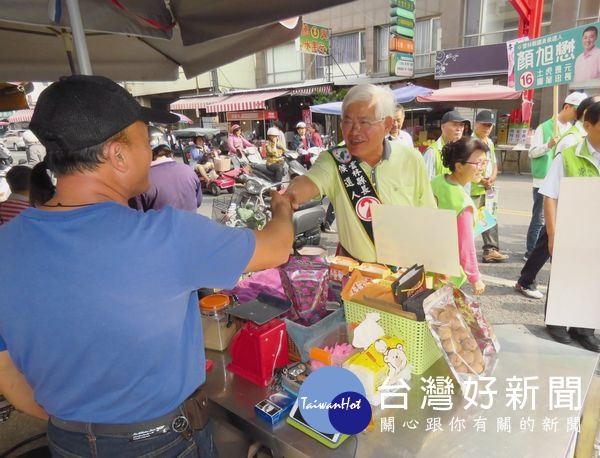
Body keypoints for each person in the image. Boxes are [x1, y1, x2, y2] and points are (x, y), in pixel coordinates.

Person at [0, 75, 294, 457]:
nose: (151, 151)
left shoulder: (6, 244)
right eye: (144, 138)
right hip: (162, 443)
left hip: (66, 442)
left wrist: (84, 428)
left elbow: (7, 374)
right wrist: (283, 209)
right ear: (117, 155)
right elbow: (277, 247)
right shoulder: (166, 236)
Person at [284, 84, 436, 262]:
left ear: (387, 124)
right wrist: (289, 196)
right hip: (356, 277)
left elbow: (428, 213)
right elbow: (306, 185)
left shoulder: (411, 158)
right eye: (347, 121)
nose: (354, 131)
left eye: (364, 122)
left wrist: (435, 260)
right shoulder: (335, 160)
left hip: (404, 272)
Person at [516, 95, 600, 300]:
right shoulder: (568, 137)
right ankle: (527, 280)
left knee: (546, 239)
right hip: (551, 192)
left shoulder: (577, 133)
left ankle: (526, 278)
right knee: (544, 233)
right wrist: (548, 145)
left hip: (581, 217)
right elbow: (537, 156)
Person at [535, 101, 600, 352]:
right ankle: (557, 323)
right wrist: (553, 234)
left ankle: (584, 329)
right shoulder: (570, 155)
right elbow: (550, 195)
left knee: (592, 279)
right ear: (587, 126)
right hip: (572, 228)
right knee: (566, 275)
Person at [524, 92, 583, 261]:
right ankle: (530, 251)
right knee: (539, 218)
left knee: (554, 221)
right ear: (567, 107)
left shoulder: (573, 130)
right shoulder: (544, 127)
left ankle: (543, 254)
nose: (578, 116)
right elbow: (532, 153)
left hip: (562, 181)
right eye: (577, 111)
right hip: (543, 180)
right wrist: (549, 145)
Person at [431, 137, 487, 296]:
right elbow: (465, 245)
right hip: (448, 273)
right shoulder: (462, 203)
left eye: (484, 163)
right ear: (459, 166)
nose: (482, 168)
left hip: (428, 264)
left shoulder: (437, 181)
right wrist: (475, 278)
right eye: (477, 163)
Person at [470, 110, 509, 263]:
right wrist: (481, 180)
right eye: (484, 125)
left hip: (488, 188)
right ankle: (464, 252)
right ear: (476, 124)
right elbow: (470, 166)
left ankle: (491, 250)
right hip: (473, 189)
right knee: (471, 221)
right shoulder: (471, 142)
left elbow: (493, 163)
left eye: (490, 125)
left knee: (490, 218)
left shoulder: (489, 142)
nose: (487, 128)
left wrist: (492, 177)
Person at [131, 144, 202, 212]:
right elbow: (198, 202)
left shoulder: (141, 180)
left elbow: (136, 213)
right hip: (190, 222)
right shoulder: (188, 170)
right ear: (171, 155)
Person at [423, 110, 468, 180]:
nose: (459, 129)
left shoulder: (464, 150)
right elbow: (425, 183)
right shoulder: (432, 152)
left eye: (461, 125)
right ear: (443, 127)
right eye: (454, 125)